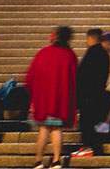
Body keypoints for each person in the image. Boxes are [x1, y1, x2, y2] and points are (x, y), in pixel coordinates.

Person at [23, 25, 78, 169]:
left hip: (44, 100)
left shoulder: (44, 52)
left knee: (44, 129)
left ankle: (38, 160)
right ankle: (56, 160)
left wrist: (32, 95)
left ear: (55, 36)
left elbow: (31, 76)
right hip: (61, 100)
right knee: (57, 130)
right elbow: (74, 79)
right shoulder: (70, 55)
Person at [75, 27, 110, 156]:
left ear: (91, 38)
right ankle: (91, 147)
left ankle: (88, 147)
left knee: (87, 122)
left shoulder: (92, 52)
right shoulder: (104, 53)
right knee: (92, 122)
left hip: (88, 95)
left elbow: (83, 75)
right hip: (98, 93)